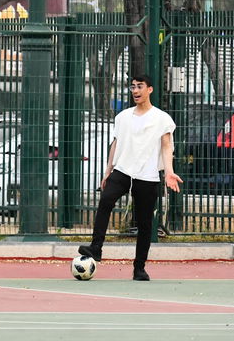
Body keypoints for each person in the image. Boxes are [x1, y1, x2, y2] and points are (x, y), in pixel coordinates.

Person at [78, 73, 183, 281]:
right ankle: (96, 248)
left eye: (140, 86)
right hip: (123, 171)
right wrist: (108, 171)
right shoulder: (123, 117)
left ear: (149, 89)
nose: (135, 90)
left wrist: (169, 171)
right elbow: (116, 144)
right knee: (105, 200)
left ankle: (139, 268)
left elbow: (166, 146)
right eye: (132, 87)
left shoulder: (162, 118)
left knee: (145, 224)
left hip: (147, 176)